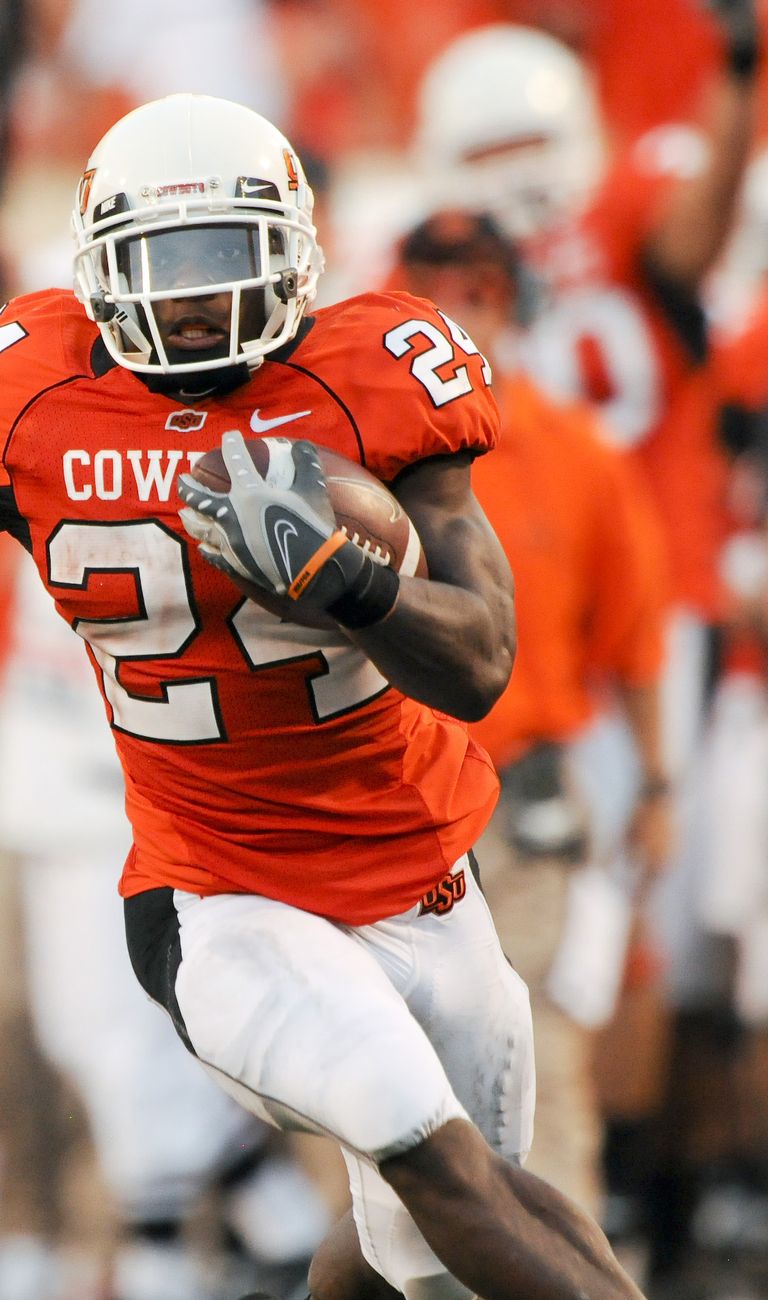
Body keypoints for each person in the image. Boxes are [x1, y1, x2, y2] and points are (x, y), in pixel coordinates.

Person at [0, 94, 646, 1300]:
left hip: (421, 869)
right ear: (97, 266)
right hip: (218, 889)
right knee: (428, 1153)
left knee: (426, 1235)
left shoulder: (373, 373)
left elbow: (480, 662)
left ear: (293, 252)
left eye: (224, 255)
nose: (191, 297)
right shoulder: (41, 394)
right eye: (160, 265)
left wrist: (343, 583)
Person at [392, 209, 671, 1216]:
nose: (459, 311)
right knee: (386, 1069)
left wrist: (656, 780)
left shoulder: (576, 451)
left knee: (538, 1055)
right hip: (392, 796)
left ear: (512, 299)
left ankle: (566, 1274)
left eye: (477, 288)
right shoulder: (364, 448)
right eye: (433, 288)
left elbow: (635, 637)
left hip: (523, 794)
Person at [0, 554, 331, 1300]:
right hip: (50, 772)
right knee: (78, 1036)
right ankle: (268, 1203)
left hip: (130, 790)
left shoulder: (166, 476)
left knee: (122, 1047)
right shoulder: (43, 452)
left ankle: (164, 1244)